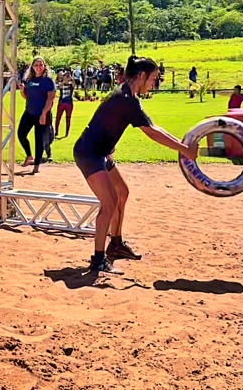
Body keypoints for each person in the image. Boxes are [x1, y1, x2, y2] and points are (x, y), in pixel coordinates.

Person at [73, 56, 198, 276]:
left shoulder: (128, 95)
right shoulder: (126, 99)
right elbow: (151, 133)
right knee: (109, 201)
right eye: (152, 79)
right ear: (140, 76)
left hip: (100, 153)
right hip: (88, 153)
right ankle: (98, 260)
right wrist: (183, 149)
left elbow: (153, 127)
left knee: (122, 192)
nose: (153, 84)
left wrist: (183, 145)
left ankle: (116, 244)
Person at [18, 57, 55, 174]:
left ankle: (37, 165)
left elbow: (50, 99)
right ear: (32, 67)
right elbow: (27, 97)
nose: (38, 67)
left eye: (41, 65)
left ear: (44, 66)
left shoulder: (48, 81)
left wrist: (44, 114)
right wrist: (22, 90)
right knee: (21, 134)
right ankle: (29, 156)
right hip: (29, 112)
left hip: (42, 113)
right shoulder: (30, 80)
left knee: (39, 139)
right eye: (36, 65)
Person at [55, 71, 75, 138]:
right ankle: (56, 132)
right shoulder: (62, 84)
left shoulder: (71, 85)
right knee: (58, 117)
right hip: (61, 103)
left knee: (68, 118)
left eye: (68, 76)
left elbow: (74, 85)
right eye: (65, 76)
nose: (67, 77)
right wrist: (64, 80)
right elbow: (59, 86)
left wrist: (71, 78)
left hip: (69, 103)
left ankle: (67, 133)